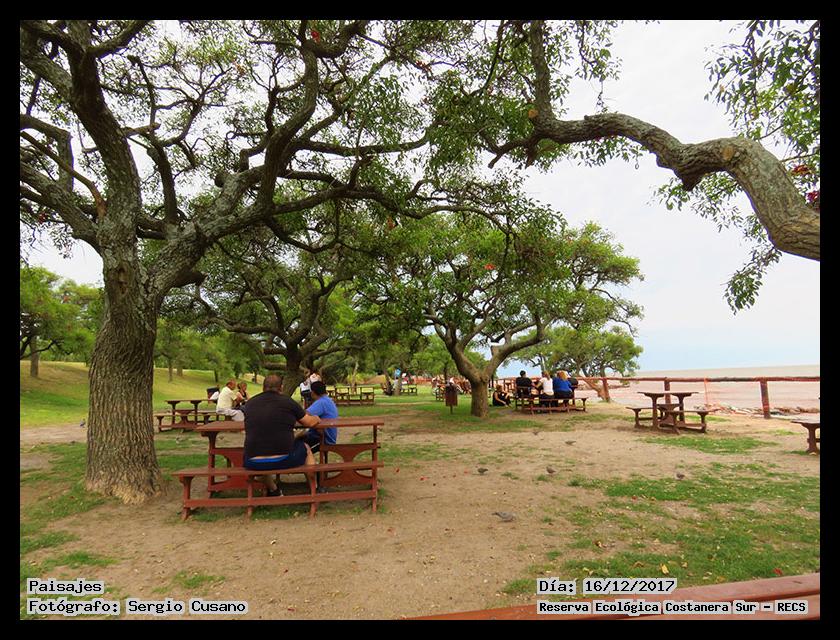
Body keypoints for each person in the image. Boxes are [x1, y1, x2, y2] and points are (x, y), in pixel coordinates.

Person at [242, 374, 320, 496]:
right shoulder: (288, 402)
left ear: (263, 388)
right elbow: (309, 423)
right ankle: (314, 489)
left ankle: (274, 490)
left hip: (252, 461)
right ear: (281, 388)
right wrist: (316, 418)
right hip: (285, 459)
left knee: (262, 456)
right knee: (306, 448)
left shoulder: (250, 404)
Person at [299, 380, 338, 453]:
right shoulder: (328, 400)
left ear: (313, 392)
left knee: (295, 443)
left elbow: (304, 415)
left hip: (324, 438)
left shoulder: (321, 402)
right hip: (328, 436)